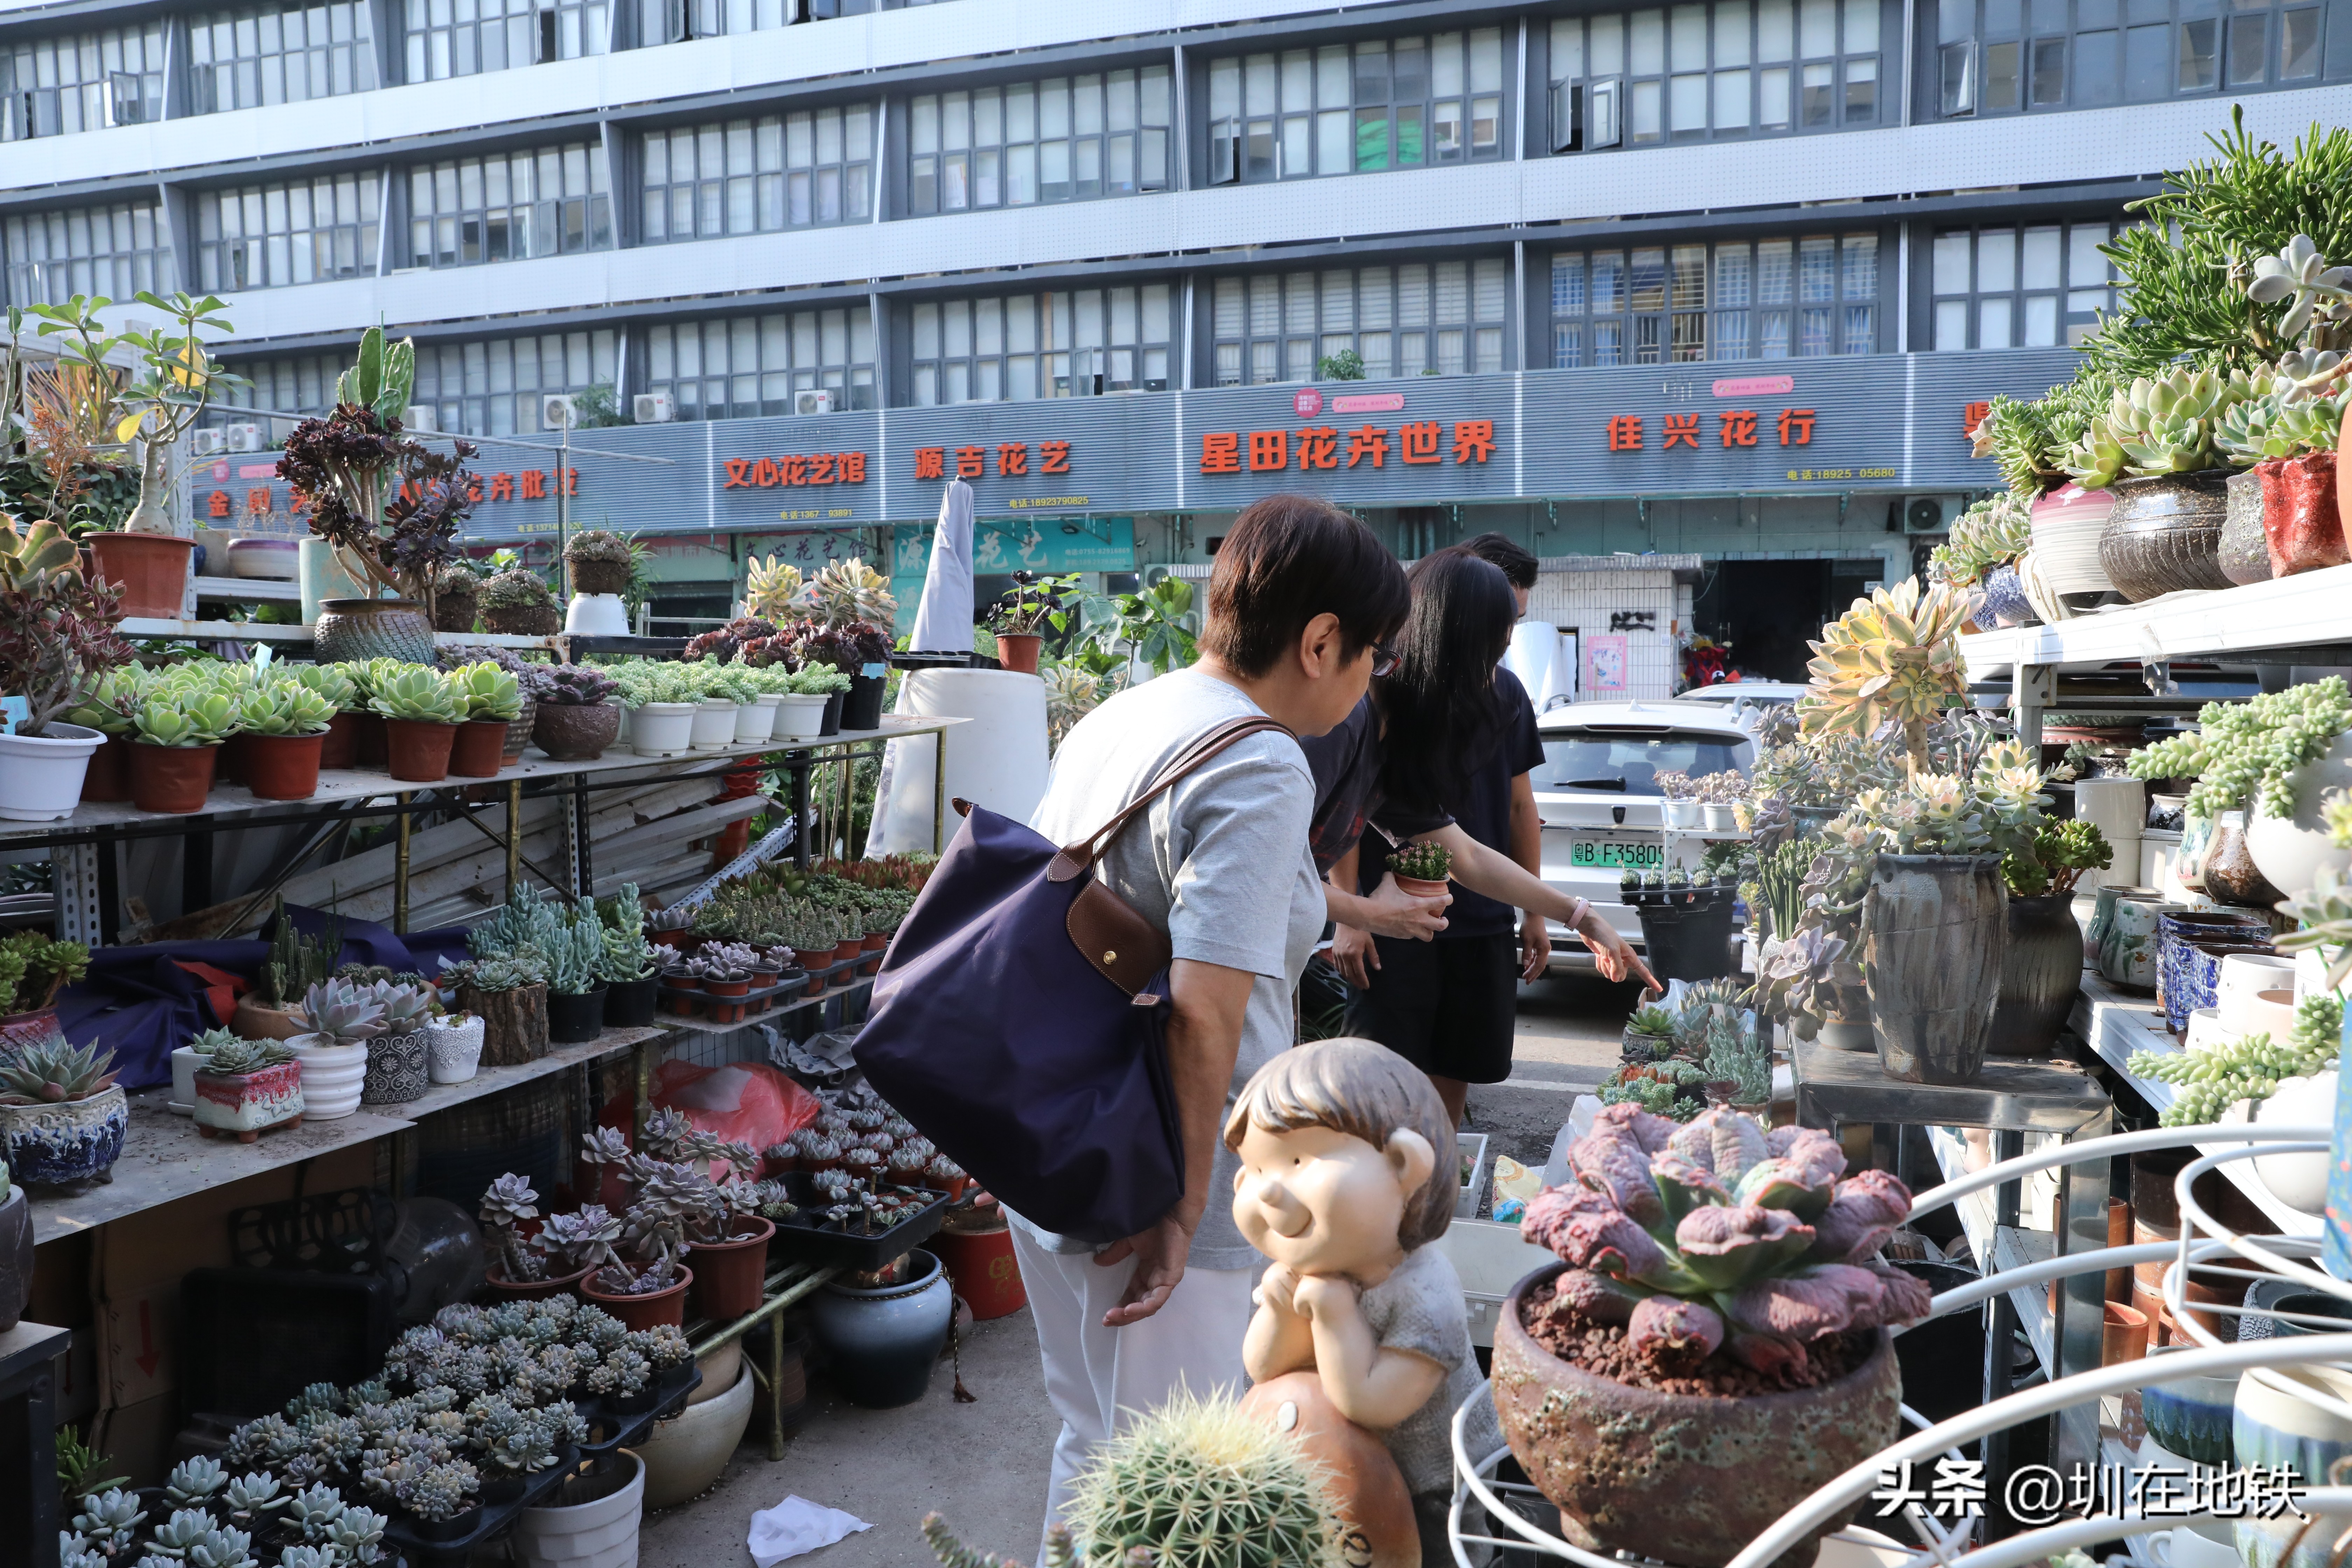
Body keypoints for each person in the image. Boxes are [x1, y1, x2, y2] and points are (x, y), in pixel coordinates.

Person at [1009, 492, 1410, 1545]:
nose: (1370, 682)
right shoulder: (1258, 757)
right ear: (1321, 642)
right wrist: (1185, 1210)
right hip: (1158, 1169)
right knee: (1180, 1481)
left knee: (1096, 1438)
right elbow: (1205, 1005)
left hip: (1059, 1131)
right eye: (1370, 655)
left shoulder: (1128, 714)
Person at [1329, 546, 1567, 1126]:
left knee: (1451, 1078)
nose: (1498, 661)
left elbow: (1472, 840)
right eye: (1495, 639)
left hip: (1473, 917)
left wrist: (1560, 912)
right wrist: (1358, 913)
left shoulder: (1496, 699)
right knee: (1376, 1082)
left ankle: (1431, 1190)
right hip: (1391, 916)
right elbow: (1272, 877)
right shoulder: (1355, 716)